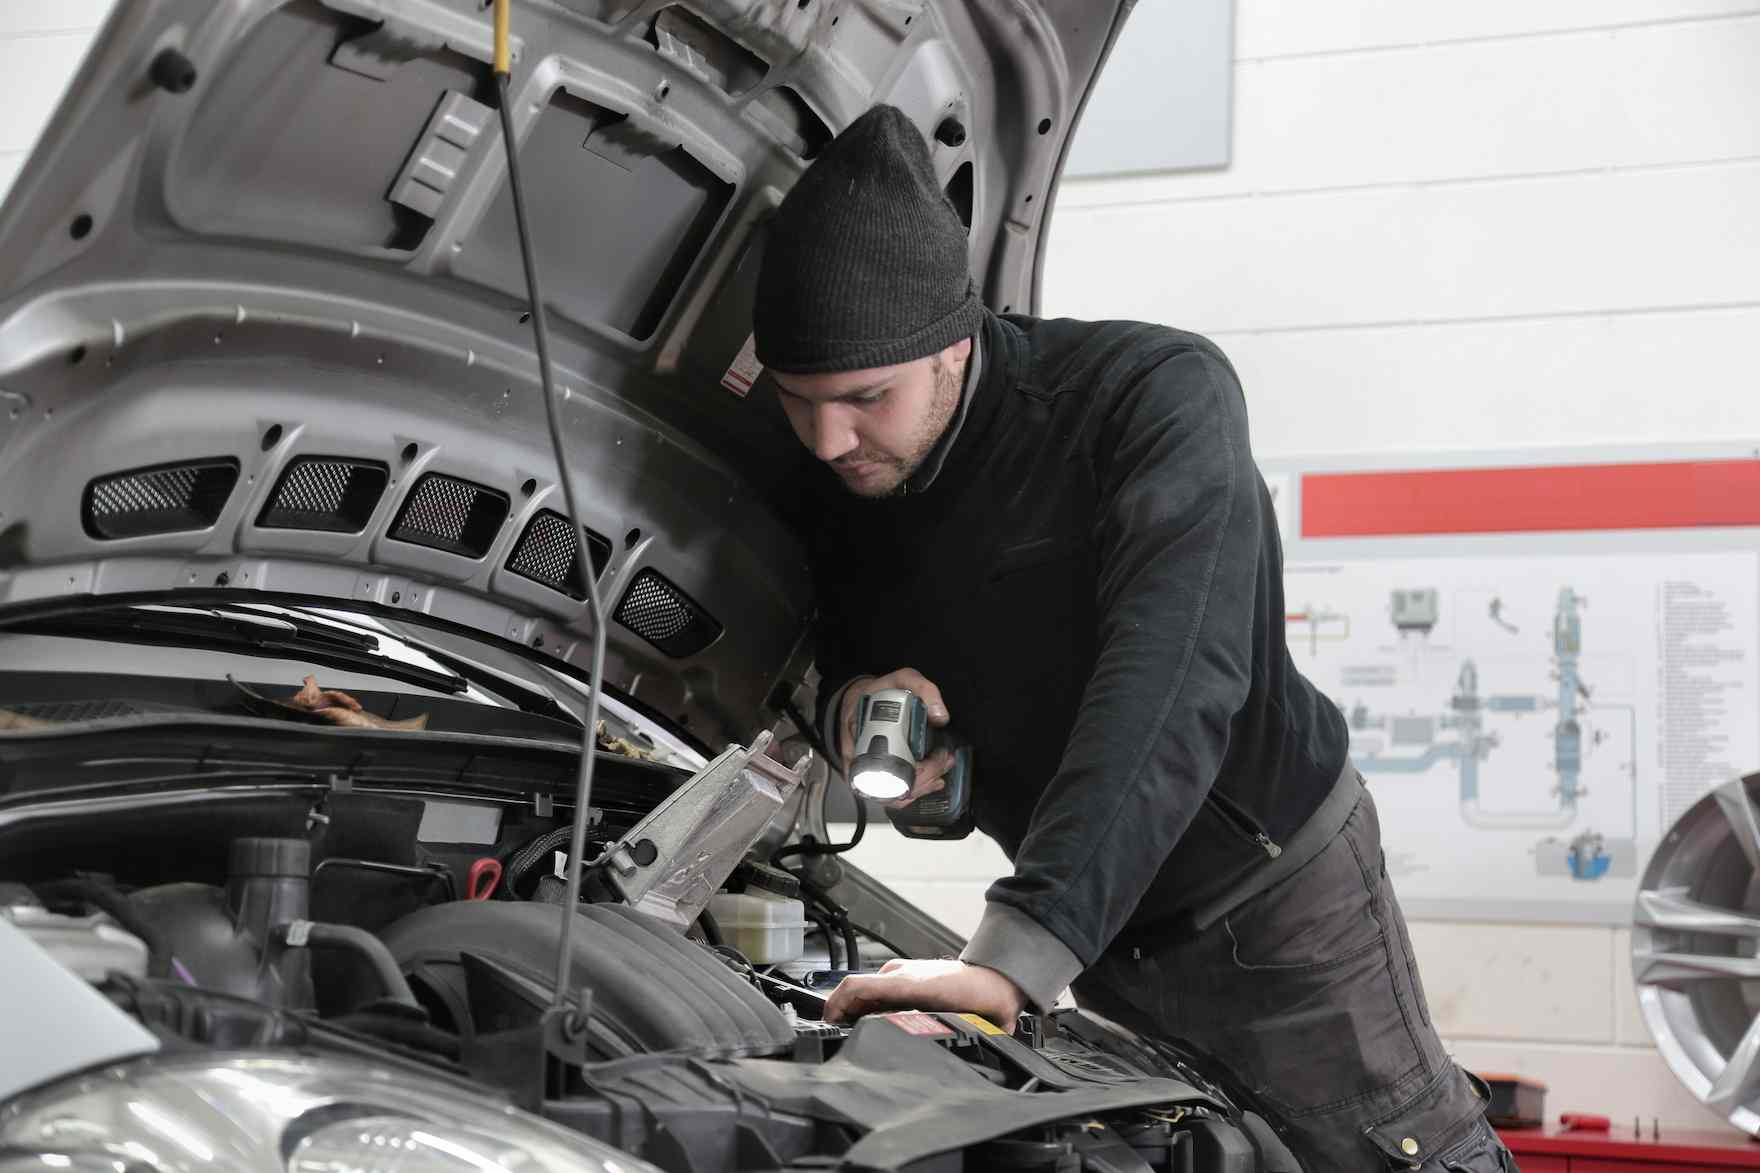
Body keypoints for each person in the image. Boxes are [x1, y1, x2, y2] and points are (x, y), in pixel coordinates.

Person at [751, 105, 1514, 1173]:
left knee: (1388, 1157)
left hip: (1271, 904)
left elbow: (1172, 682)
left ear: (954, 340)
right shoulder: (839, 479)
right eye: (798, 402)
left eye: (864, 399)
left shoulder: (1146, 400)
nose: (829, 439)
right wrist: (855, 717)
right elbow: (827, 647)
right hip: (1094, 927)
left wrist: (1012, 957)